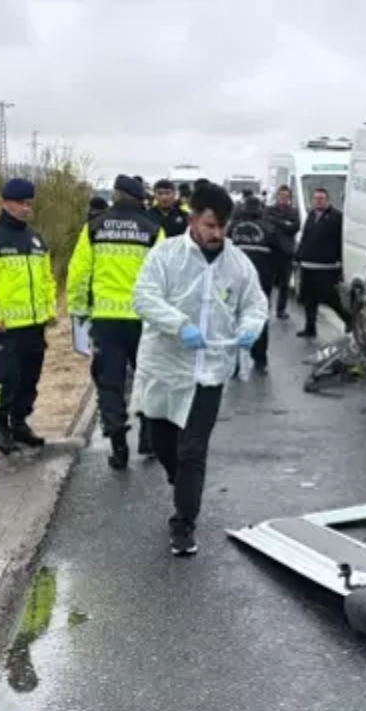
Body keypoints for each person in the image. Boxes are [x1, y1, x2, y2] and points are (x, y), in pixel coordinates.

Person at [131, 183, 267, 556]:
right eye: (210, 226)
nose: (217, 235)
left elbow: (255, 303)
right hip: (166, 365)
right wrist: (178, 324)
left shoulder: (237, 264)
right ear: (193, 220)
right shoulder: (166, 255)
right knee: (162, 442)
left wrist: (252, 327)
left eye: (223, 227)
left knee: (193, 450)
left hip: (210, 370)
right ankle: (182, 481)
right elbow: (143, 297)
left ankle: (183, 523)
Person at [67, 175, 165, 470]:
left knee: (109, 384)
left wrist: (79, 311)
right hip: (143, 320)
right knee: (147, 378)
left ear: (116, 195)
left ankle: (118, 442)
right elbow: (164, 275)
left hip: (106, 320)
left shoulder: (94, 227)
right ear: (139, 198)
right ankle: (148, 437)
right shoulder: (152, 229)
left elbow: (79, 272)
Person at [0, 179, 57, 455]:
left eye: (28, 204)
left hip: (34, 325)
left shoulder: (36, 238)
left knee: (29, 380)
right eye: (19, 203)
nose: (25, 208)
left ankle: (20, 423)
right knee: (5, 379)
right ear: (5, 202)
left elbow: (46, 279)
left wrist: (50, 311)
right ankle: (0, 426)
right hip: (4, 328)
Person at [227, 195, 279, 373]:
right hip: (261, 280)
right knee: (259, 319)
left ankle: (233, 363)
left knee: (232, 319)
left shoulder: (231, 228)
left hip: (233, 280)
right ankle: (260, 360)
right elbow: (284, 253)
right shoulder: (270, 228)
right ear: (260, 209)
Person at [295, 187, 352, 338]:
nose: (318, 201)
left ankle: (350, 321)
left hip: (327, 266)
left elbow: (341, 241)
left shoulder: (336, 217)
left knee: (331, 299)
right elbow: (305, 238)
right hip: (308, 264)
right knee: (309, 300)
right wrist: (299, 256)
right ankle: (310, 328)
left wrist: (340, 261)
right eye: (316, 199)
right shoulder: (311, 216)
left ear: (327, 200)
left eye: (321, 199)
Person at [265, 185, 300, 320]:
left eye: (286, 196)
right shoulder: (269, 210)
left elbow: (293, 228)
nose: (283, 199)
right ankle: (265, 308)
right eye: (281, 196)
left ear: (289, 198)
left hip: (286, 253)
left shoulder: (294, 212)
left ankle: (281, 310)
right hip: (271, 252)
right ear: (277, 196)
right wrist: (283, 223)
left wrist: (278, 223)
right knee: (268, 284)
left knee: (284, 285)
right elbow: (268, 226)